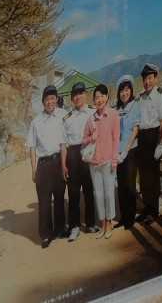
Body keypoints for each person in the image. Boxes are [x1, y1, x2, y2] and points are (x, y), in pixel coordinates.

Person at [25, 86, 68, 249]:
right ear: (43, 102)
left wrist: (64, 165)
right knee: (44, 202)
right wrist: (33, 169)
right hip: (43, 165)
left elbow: (64, 143)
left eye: (52, 98)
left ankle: (60, 229)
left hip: (58, 162)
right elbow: (31, 147)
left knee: (59, 198)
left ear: (56, 100)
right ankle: (45, 235)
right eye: (47, 99)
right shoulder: (36, 122)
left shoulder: (63, 116)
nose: (50, 102)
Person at [128, 65, 162, 223]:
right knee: (144, 176)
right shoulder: (140, 97)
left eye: (150, 78)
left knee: (153, 176)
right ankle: (147, 208)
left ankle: (154, 210)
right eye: (145, 79)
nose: (147, 82)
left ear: (155, 78)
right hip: (142, 138)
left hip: (154, 136)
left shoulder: (161, 95)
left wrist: (160, 144)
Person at [84, 83, 122, 240]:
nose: (99, 100)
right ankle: (102, 225)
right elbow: (83, 140)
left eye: (101, 96)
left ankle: (110, 223)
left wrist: (114, 160)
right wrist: (90, 138)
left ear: (106, 97)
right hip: (94, 163)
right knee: (98, 195)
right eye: (96, 97)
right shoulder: (91, 119)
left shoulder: (113, 115)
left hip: (108, 162)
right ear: (94, 100)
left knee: (108, 194)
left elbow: (116, 139)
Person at [61, 82, 94, 241]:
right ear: (71, 98)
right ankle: (74, 226)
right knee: (73, 193)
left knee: (89, 191)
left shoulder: (93, 112)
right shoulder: (67, 117)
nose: (78, 97)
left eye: (80, 93)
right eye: (75, 95)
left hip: (89, 153)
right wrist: (63, 164)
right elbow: (63, 143)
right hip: (73, 155)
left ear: (85, 95)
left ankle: (90, 223)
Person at [113, 76, 139, 228]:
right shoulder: (117, 110)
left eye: (127, 90)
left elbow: (135, 130)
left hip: (130, 151)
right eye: (122, 91)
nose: (124, 93)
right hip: (118, 152)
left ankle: (130, 217)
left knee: (130, 185)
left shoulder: (135, 106)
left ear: (131, 91)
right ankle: (123, 216)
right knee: (121, 185)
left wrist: (125, 151)